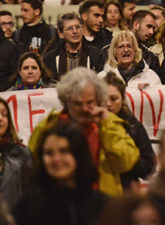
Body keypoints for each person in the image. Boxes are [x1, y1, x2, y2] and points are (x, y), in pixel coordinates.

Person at [28, 68, 139, 196]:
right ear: (66, 101)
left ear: (98, 99)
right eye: (78, 103)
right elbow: (31, 167)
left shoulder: (108, 123)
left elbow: (126, 163)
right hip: (57, 200)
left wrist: (106, 125)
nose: (85, 108)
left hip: (101, 202)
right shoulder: (48, 126)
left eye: (90, 102)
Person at [102, 73, 157, 188]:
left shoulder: (134, 126)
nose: (108, 104)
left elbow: (149, 168)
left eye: (113, 99)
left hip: (126, 191)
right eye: (103, 99)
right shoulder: (90, 125)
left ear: (122, 99)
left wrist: (126, 159)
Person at [42, 12, 105, 80]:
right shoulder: (50, 58)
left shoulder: (96, 54)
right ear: (60, 34)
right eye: (70, 28)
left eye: (77, 27)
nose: (75, 31)